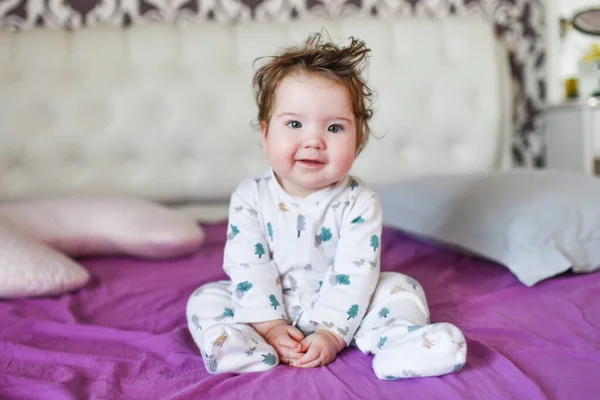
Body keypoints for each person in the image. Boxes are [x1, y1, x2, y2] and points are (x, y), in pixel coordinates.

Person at [186, 32, 467, 379]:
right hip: (268, 308)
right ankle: (243, 346)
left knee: (402, 289)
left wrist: (331, 333)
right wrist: (271, 326)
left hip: (346, 307)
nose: (314, 141)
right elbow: (249, 266)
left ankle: (401, 346)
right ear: (264, 134)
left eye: (335, 127)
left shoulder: (359, 202)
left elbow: (357, 273)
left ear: (359, 140)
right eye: (294, 124)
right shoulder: (250, 196)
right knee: (206, 298)